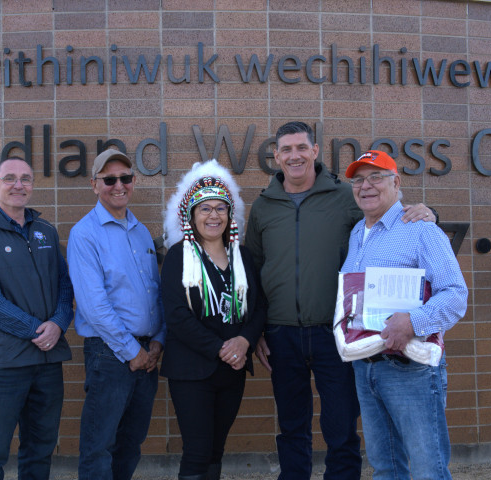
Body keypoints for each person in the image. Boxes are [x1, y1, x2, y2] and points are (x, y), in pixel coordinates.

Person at [245, 121, 437, 480]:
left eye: (301, 147)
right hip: (281, 335)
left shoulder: (342, 196)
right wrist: (257, 331)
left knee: (341, 429)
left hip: (335, 333)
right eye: (286, 149)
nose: (294, 155)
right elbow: (254, 270)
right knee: (291, 428)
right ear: (276, 156)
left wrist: (425, 214)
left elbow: (385, 218)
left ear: (315, 151)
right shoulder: (263, 206)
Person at [340, 150, 467, 479]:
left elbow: (455, 294)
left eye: (376, 177)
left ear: (396, 182)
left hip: (411, 370)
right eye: (358, 179)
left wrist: (412, 322)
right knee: (386, 466)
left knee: (428, 469)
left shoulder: (421, 230)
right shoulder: (357, 233)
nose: (366, 186)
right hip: (366, 366)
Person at [0, 157, 74, 480]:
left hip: (47, 363)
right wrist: (37, 329)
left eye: (25, 179)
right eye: (10, 178)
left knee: (40, 449)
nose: (18, 185)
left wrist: (60, 323)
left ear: (32, 186)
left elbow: (65, 285)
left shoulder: (46, 230)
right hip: (2, 364)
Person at [160, 160, 266, 480]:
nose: (214, 215)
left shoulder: (243, 256)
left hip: (232, 370)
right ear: (192, 215)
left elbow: (259, 307)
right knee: (197, 449)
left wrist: (244, 341)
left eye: (221, 208)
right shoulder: (179, 256)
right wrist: (222, 347)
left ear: (229, 215)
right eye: (205, 209)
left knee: (216, 449)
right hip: (192, 369)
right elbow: (176, 315)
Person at [67, 148, 165, 480]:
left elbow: (156, 293)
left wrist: (157, 342)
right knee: (99, 447)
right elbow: (93, 306)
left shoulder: (139, 231)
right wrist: (130, 350)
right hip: (110, 355)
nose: (118, 185)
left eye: (125, 177)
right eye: (109, 179)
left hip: (146, 354)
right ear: (95, 185)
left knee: (130, 444)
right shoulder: (85, 234)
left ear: (134, 181)